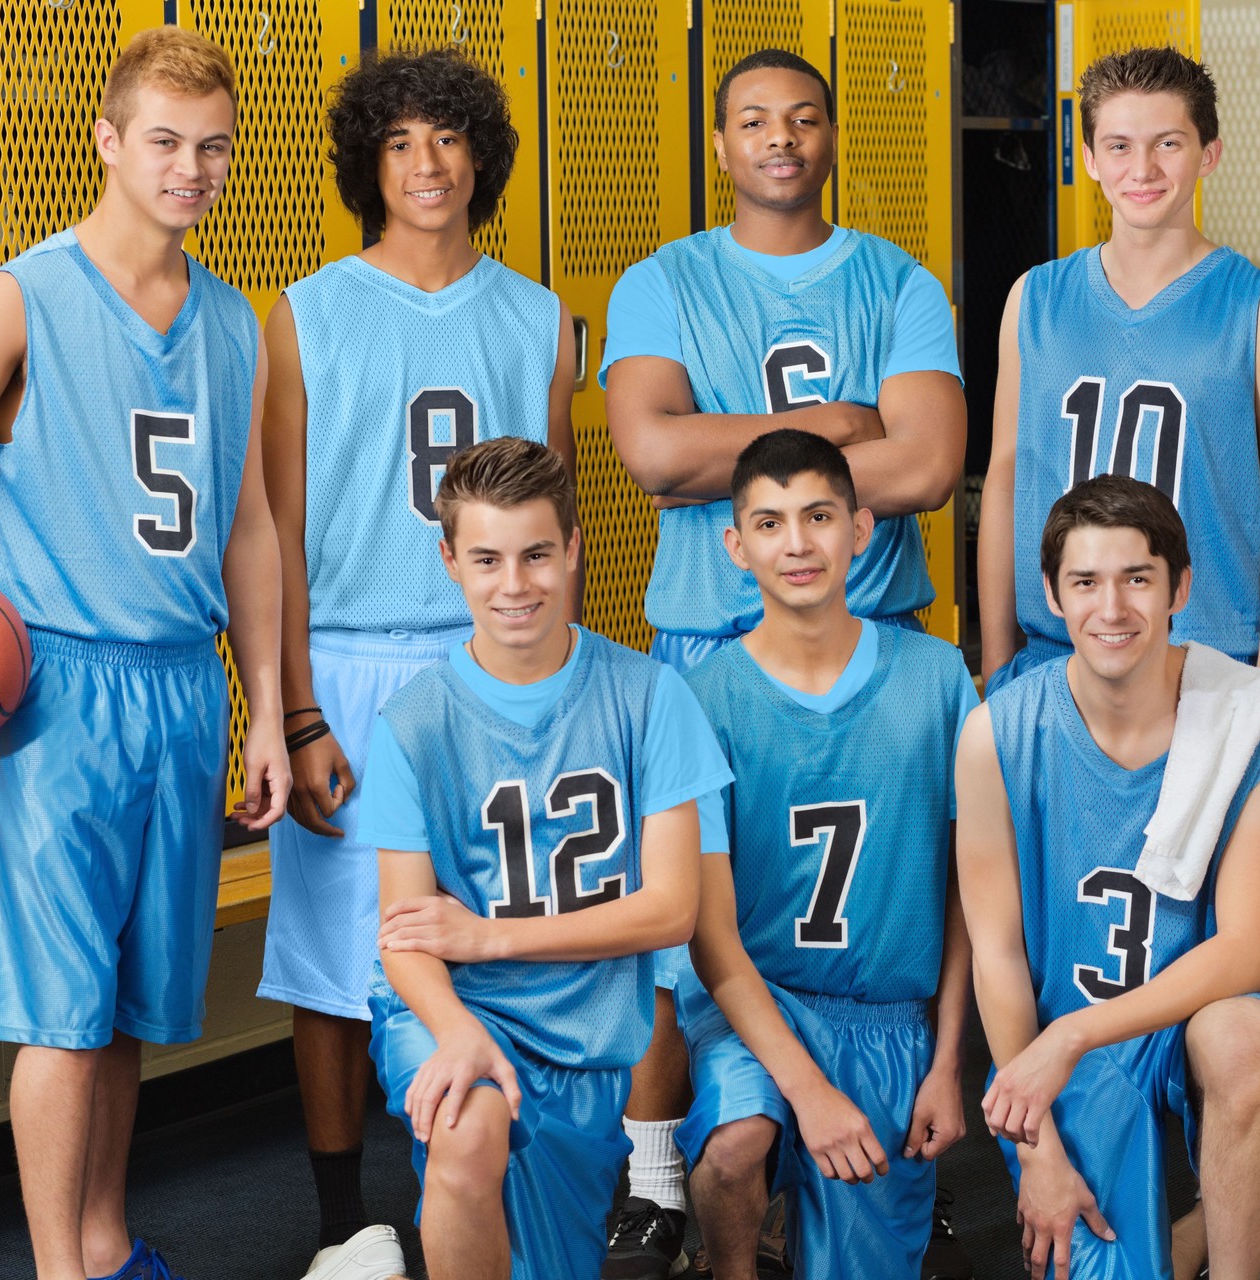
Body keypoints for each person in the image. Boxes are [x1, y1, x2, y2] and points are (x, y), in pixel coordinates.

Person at [0, 28, 287, 1280]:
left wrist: (269, 708)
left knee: (133, 1009)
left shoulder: (236, 322)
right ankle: (57, 1270)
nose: (192, 169)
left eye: (214, 148)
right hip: (54, 695)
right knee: (61, 1014)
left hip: (184, 688)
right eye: (167, 143)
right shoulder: (20, 298)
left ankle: (103, 1245)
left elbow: (249, 529)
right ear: (110, 142)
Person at [974, 46, 1260, 1278]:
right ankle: (1113, 1189)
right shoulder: (1036, 296)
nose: (1141, 168)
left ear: (1209, 153)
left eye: (1168, 143)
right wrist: (995, 654)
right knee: (1060, 937)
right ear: (1084, 156)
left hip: (1213, 678)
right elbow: (1001, 486)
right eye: (1118, 144)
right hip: (1064, 666)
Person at [599, 48, 967, 1277]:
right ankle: (662, 1168)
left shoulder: (900, 280)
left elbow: (924, 470)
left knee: (879, 906)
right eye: (752, 120)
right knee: (687, 924)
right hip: (712, 634)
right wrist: (841, 428)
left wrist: (747, 459)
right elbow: (648, 453)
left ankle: (872, 1130)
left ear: (827, 137)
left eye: (802, 118)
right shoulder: (665, 280)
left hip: (879, 641)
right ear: (718, 142)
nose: (779, 139)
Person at [256, 47, 575, 1280]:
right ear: (367, 165)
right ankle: (344, 1225)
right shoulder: (306, 311)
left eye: (448, 136)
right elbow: (275, 531)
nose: (428, 162)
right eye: (400, 142)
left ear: (480, 155)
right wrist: (291, 712)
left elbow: (555, 522)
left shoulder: (540, 314)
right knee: (339, 957)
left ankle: (514, 1194)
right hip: (347, 664)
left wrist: (554, 679)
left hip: (492, 659)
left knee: (511, 933)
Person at [357, 438, 732, 1280]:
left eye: (535, 554)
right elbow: (407, 935)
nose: (514, 584)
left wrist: (491, 936)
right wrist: (457, 1032)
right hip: (455, 1008)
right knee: (465, 1130)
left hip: (587, 1035)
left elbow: (674, 907)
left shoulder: (649, 697)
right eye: (487, 559)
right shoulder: (412, 724)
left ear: (572, 548)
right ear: (450, 560)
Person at [959, 474, 1260, 1280]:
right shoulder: (995, 734)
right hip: (1059, 1043)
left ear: (1179, 586)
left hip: (1177, 1020)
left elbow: (1250, 951)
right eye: (1085, 583)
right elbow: (997, 952)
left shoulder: (1248, 720)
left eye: (1137, 579)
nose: (1111, 610)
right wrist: (1037, 1150)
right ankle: (1190, 1237)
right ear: (1051, 594)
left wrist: (1072, 1036)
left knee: (1244, 1037)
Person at [678, 429, 977, 1278]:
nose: (798, 543)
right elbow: (712, 938)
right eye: (769, 524)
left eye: (818, 516)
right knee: (738, 1146)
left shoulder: (938, 679)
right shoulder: (701, 701)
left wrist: (947, 1059)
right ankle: (730, 1261)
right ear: (736, 547)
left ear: (862, 529)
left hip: (886, 1017)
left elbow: (967, 893)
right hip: (752, 994)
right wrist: (806, 1091)